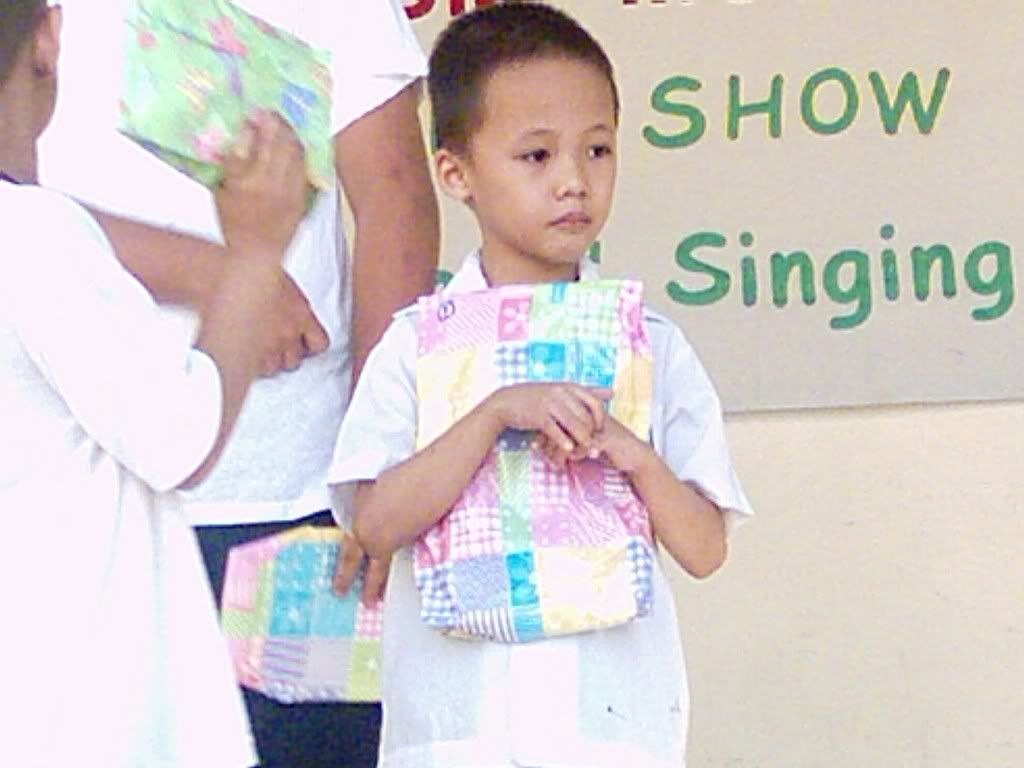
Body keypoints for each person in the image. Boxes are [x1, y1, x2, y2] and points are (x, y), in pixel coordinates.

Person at [328, 3, 754, 766]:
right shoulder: (417, 346)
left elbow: (704, 546)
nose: (574, 183)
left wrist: (628, 451)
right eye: (536, 157)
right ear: (455, 172)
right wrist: (493, 414)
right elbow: (374, 523)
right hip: (459, 737)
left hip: (609, 734)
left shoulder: (650, 345)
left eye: (598, 150)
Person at [38, 1, 440, 766]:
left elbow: (395, 197)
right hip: (81, 507)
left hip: (302, 506)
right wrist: (217, 272)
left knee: (314, 751)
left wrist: (376, 461)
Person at [0, 1, 311, 765]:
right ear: (48, 36)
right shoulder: (35, 235)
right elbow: (180, 439)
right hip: (90, 716)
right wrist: (253, 250)